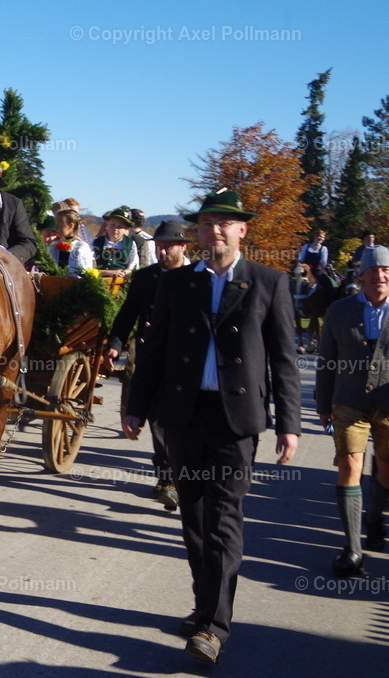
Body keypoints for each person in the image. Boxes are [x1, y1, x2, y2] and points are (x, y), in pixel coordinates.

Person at [121, 189, 300, 664]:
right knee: (194, 520)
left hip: (234, 421)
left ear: (242, 230)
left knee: (223, 519)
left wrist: (290, 423)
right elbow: (155, 348)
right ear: (197, 233)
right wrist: (135, 406)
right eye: (206, 224)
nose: (215, 231)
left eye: (225, 223)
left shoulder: (268, 282)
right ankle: (206, 608)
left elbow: (284, 360)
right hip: (182, 415)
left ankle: (214, 627)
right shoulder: (177, 284)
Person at [103, 220, 191, 511]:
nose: (163, 251)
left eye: (169, 246)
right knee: (158, 418)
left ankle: (185, 475)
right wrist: (115, 344)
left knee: (186, 423)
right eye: (159, 246)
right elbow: (128, 315)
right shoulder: (145, 278)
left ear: (183, 246)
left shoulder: (199, 278)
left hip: (190, 361)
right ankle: (167, 478)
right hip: (153, 358)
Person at [315, 245, 389, 577]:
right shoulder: (339, 311)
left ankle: (374, 520)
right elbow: (325, 361)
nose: (380, 277)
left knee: (386, 469)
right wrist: (323, 404)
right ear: (361, 276)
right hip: (348, 401)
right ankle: (352, 549)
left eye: (386, 271)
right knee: (349, 465)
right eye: (373, 272)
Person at [47, 198, 93, 277]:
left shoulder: (81, 247)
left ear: (71, 225)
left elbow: (84, 273)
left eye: (60, 225)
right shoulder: (54, 246)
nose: (56, 229)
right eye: (56, 225)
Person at [92, 206, 139, 280]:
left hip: (121, 282)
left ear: (126, 229)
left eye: (120, 226)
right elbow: (90, 267)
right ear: (107, 224)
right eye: (112, 224)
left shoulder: (130, 244)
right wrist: (108, 272)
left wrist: (123, 273)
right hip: (98, 281)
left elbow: (133, 265)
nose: (115, 229)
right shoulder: (96, 242)